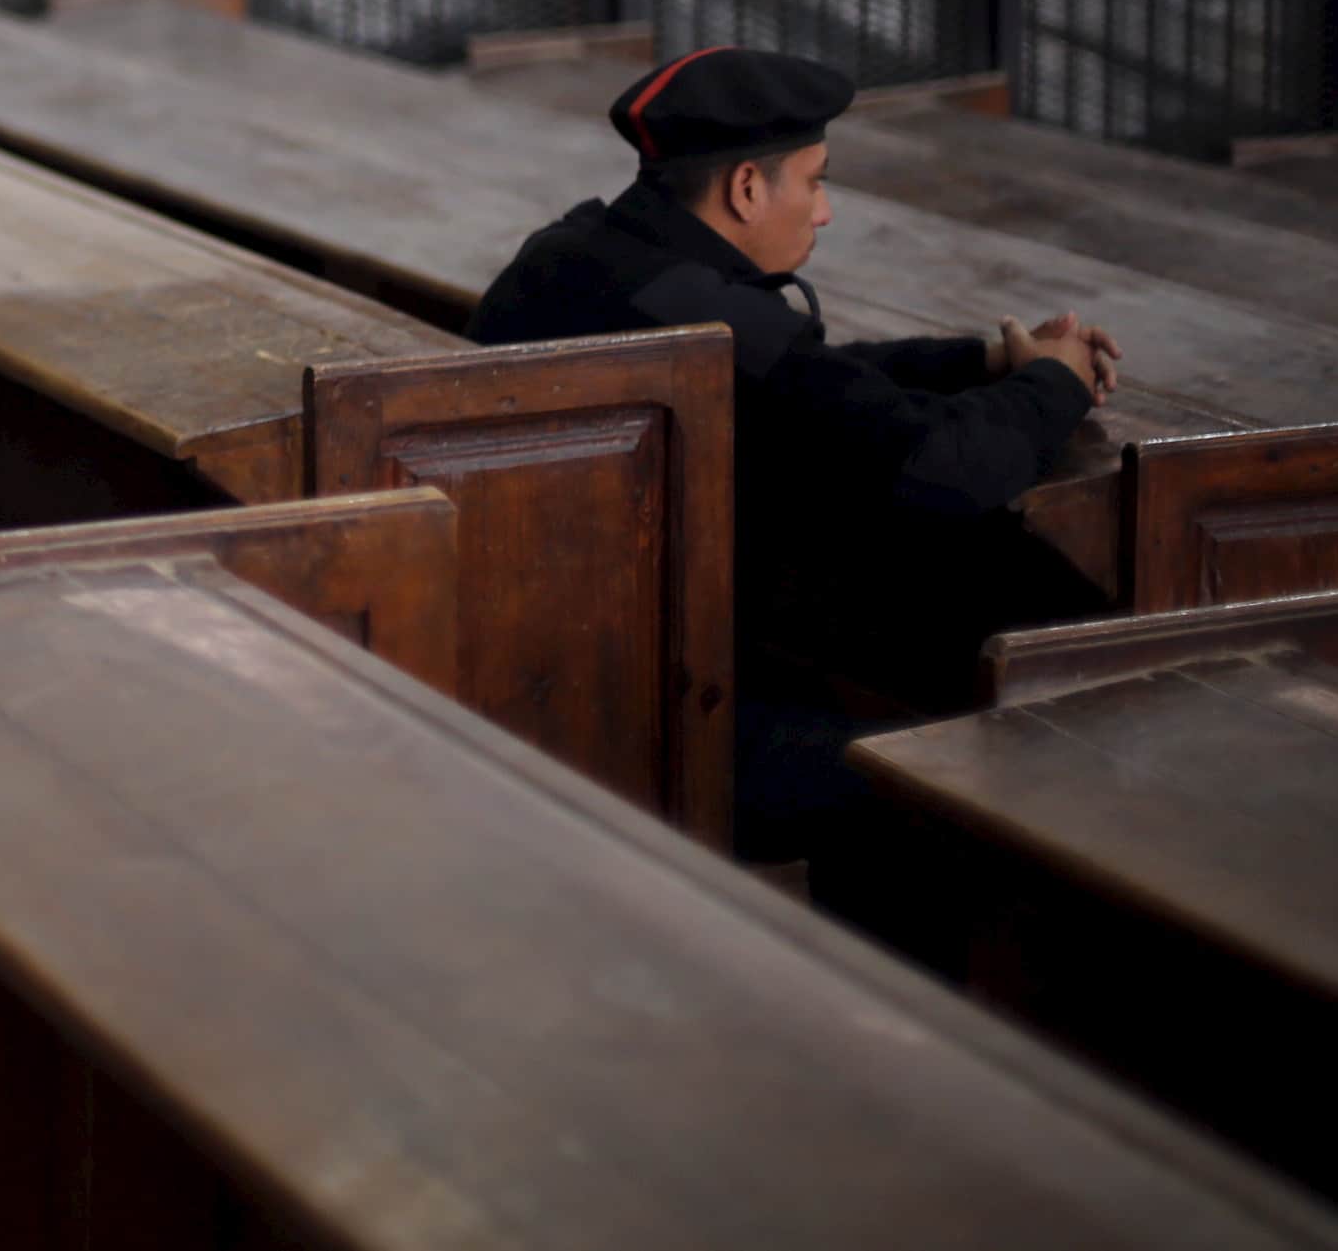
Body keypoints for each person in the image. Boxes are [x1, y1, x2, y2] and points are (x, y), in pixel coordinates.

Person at [468, 46, 1121, 858]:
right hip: (638, 729)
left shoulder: (581, 253)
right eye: (814, 181)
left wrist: (980, 363)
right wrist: (1055, 384)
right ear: (747, 187)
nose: (824, 211)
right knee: (945, 786)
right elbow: (945, 468)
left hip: (531, 674)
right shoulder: (705, 322)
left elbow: (814, 379)